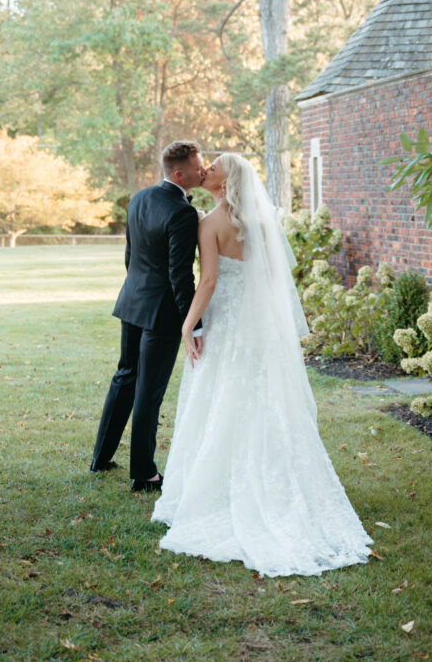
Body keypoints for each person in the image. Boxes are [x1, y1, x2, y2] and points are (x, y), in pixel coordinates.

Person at [152, 153, 373, 576]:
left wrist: (188, 324)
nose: (206, 170)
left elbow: (210, 281)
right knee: (262, 398)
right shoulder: (261, 220)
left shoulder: (209, 223)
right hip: (258, 324)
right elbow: (274, 278)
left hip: (227, 323)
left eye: (213, 167)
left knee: (221, 397)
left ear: (225, 180)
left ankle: (220, 491)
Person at [90, 140, 205, 491]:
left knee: (125, 377)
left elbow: (130, 255)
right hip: (162, 313)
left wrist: (137, 291)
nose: (204, 170)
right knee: (148, 392)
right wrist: (194, 324)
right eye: (199, 166)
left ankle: (101, 457)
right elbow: (180, 276)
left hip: (133, 301)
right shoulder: (182, 212)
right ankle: (144, 473)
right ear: (180, 172)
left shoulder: (138, 198)